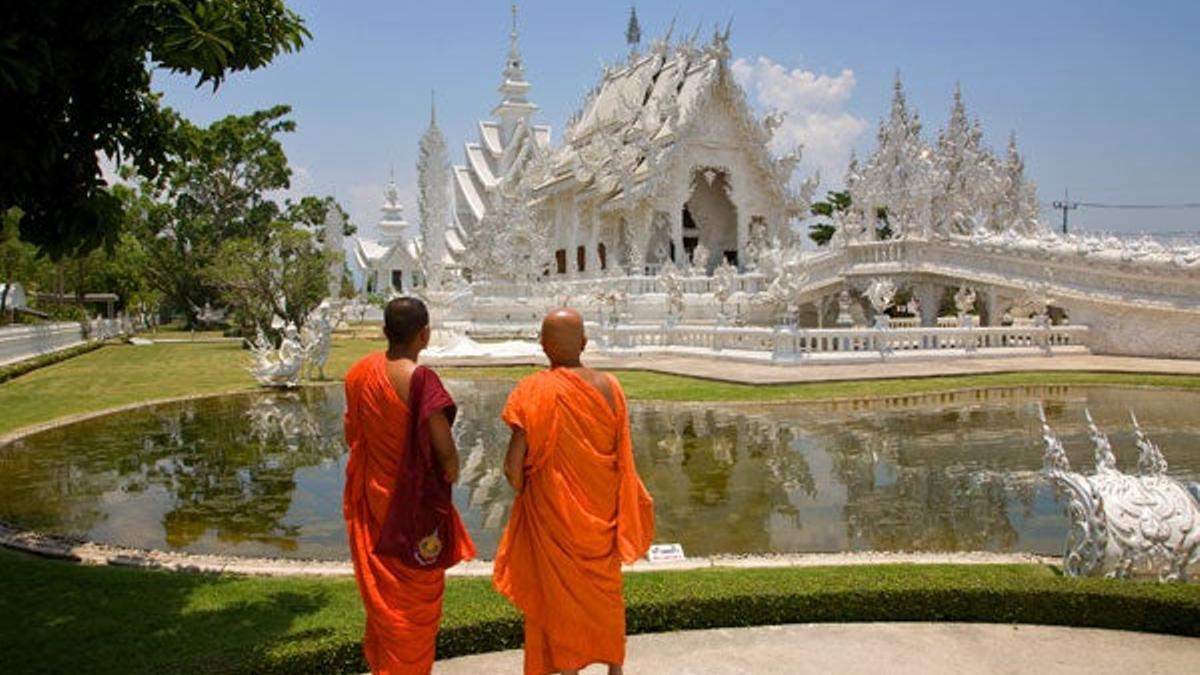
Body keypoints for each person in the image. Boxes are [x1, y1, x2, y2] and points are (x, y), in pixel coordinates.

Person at [493, 308, 655, 675]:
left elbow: (511, 468)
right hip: (602, 517)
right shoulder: (610, 387)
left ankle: (568, 669)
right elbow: (622, 455)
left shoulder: (533, 389)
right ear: (584, 343)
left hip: (554, 519)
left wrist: (530, 496)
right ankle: (614, 667)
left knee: (559, 597)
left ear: (542, 346)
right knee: (605, 595)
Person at [343, 297, 475, 674]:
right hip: (411, 510)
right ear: (425, 335)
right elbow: (444, 450)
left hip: (372, 500)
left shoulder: (358, 372)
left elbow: (350, 434)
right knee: (413, 607)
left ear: (384, 332)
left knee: (386, 605)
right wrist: (449, 473)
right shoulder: (420, 378)